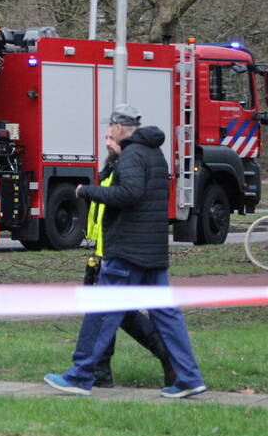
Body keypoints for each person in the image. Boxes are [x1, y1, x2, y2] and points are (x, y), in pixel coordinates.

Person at [45, 104, 206, 399]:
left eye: (108, 136)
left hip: (128, 251)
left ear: (120, 129)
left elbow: (129, 193)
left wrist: (87, 192)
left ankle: (80, 375)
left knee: (102, 313)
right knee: (167, 316)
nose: (107, 142)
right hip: (152, 251)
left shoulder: (131, 155)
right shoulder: (154, 153)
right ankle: (189, 377)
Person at [87, 125, 176, 389]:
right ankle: (100, 371)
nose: (106, 143)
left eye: (111, 139)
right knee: (110, 312)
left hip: (120, 251)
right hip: (105, 249)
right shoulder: (114, 164)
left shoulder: (129, 164)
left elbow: (126, 199)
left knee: (117, 313)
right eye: (104, 138)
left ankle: (167, 358)